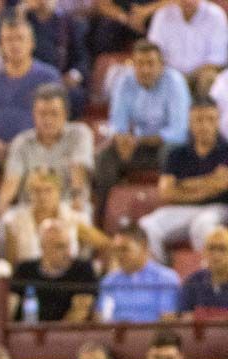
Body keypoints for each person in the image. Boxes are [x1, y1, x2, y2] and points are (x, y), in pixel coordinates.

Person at [92, 40, 190, 222]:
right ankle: (103, 217)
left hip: (169, 146)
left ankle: (168, 212)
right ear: (133, 65)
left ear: (161, 66)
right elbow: (117, 123)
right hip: (137, 145)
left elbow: (178, 132)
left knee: (170, 153)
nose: (145, 70)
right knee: (104, 157)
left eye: (150, 64)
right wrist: (121, 139)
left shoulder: (175, 82)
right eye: (140, 64)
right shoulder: (125, 81)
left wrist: (136, 140)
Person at [138, 100, 228, 261]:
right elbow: (166, 192)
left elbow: (222, 184)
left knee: (202, 226)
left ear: (218, 121)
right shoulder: (176, 154)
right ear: (190, 122)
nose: (204, 125)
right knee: (146, 226)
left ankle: (207, 276)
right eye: (199, 120)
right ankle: (162, 275)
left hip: (218, 209)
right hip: (182, 209)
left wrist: (183, 185)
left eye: (210, 119)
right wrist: (210, 183)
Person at [0, 15, 62, 163]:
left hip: (35, 150)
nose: (14, 45)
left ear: (31, 43)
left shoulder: (48, 77)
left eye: (20, 38)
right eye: (9, 40)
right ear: (1, 44)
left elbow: (58, 119)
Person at [0, 83, 94, 216]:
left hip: (67, 205)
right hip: (31, 209)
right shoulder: (22, 142)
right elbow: (12, 180)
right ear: (34, 115)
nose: (48, 120)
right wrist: (2, 205)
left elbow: (78, 169)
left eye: (54, 114)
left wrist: (77, 198)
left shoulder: (80, 134)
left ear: (65, 114)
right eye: (42, 114)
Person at [0, 0, 90, 116]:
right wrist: (19, 13)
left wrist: (74, 75)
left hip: (57, 80)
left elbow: (82, 59)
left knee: (75, 95)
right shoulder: (22, 18)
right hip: (25, 77)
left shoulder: (67, 23)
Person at [1, 166, 107, 265]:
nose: (42, 196)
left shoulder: (73, 219)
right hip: (30, 279)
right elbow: (11, 264)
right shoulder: (15, 221)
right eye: (36, 191)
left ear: (59, 192)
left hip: (66, 280)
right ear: (29, 193)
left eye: (48, 190)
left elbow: (105, 244)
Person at [11, 218, 97, 321]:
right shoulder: (24, 270)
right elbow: (9, 308)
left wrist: (50, 336)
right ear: (43, 247)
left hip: (63, 335)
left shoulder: (83, 269)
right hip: (26, 333)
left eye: (68, 245)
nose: (68, 253)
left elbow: (80, 312)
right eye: (60, 247)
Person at [97, 223, 181, 322]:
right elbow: (101, 320)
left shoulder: (166, 278)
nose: (119, 255)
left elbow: (167, 320)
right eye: (116, 250)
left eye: (124, 249)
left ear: (143, 247)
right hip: (114, 336)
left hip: (152, 336)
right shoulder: (109, 281)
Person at [145, 0, 226, 90]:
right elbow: (153, 51)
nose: (188, 1)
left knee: (210, 78)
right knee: (147, 71)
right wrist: (174, 77)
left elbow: (217, 58)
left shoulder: (216, 15)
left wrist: (189, 78)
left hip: (200, 76)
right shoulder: (162, 15)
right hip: (168, 75)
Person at [178, 225, 228, 317]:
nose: (216, 255)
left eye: (222, 249)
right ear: (204, 252)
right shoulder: (192, 282)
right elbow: (184, 320)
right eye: (211, 249)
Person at [88, 0, 165, 58]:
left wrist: (146, 11)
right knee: (105, 29)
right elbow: (102, 4)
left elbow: (172, 2)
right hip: (122, 18)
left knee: (161, 21)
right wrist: (125, 19)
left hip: (152, 15)